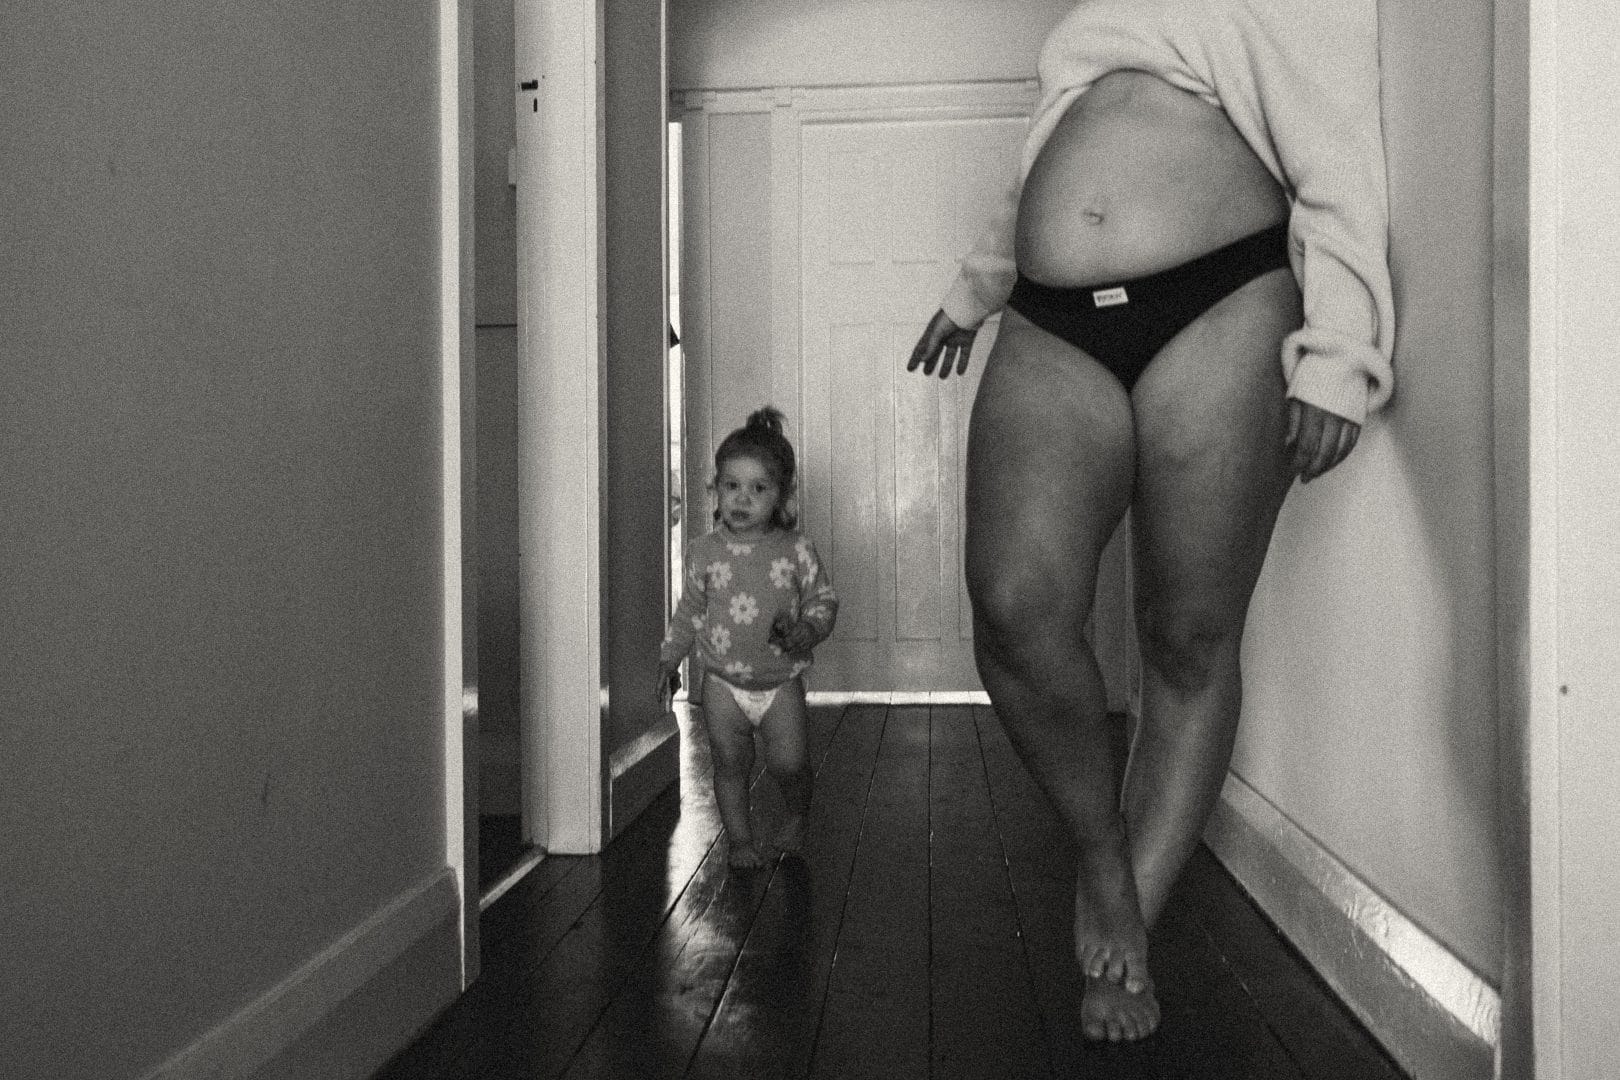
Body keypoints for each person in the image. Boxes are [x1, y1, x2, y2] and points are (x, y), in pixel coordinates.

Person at [906, 0, 1395, 1043]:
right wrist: (977, 287)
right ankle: (1100, 850)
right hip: (1053, 316)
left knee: (1185, 636)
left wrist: (1340, 352)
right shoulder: (1097, 15)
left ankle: (1138, 905)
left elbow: (1341, 160)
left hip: (1221, 297)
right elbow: (1051, 145)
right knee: (1014, 606)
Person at [657, 407, 839, 870]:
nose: (743, 498)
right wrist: (670, 657)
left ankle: (798, 811)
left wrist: (808, 629)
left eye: (759, 489)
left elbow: (823, 601)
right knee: (728, 764)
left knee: (789, 765)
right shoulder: (703, 552)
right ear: (714, 490)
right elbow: (691, 612)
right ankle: (739, 842)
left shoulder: (796, 549)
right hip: (721, 683)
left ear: (783, 496)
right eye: (731, 486)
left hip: (779, 682)